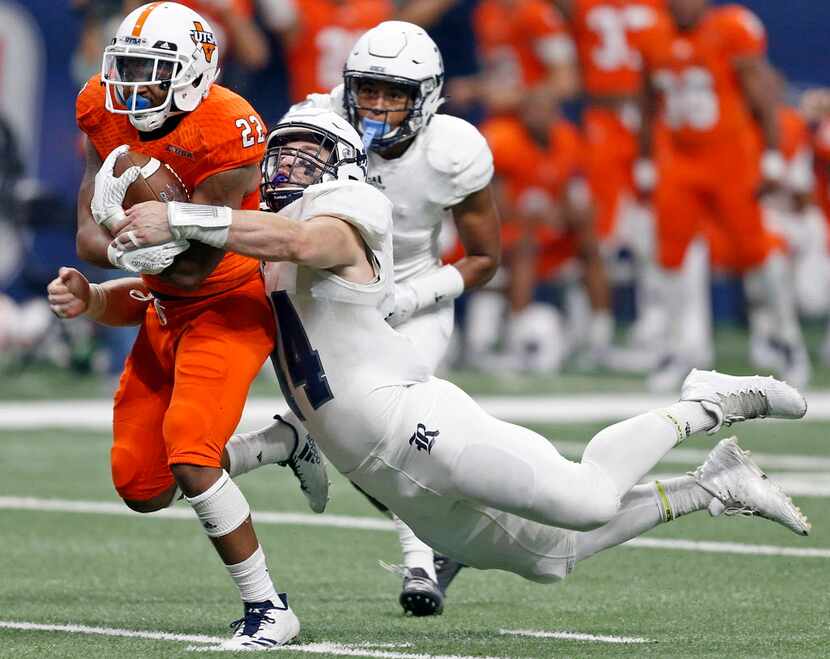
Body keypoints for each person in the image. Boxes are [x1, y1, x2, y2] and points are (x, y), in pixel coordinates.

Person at [58, 109, 810, 613]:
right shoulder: (253, 235)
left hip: (417, 427)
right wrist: (99, 299)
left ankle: (707, 402)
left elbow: (308, 244)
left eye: (308, 151)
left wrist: (191, 215)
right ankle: (713, 485)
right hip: (384, 471)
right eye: (281, 149)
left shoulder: (346, 213)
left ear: (343, 164)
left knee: (586, 499)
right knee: (552, 559)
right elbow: (171, 298)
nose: (288, 163)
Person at [72, 2, 326, 649]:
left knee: (189, 452)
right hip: (161, 305)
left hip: (228, 299)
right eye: (123, 69)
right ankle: (279, 442)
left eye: (150, 72)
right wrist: (119, 252)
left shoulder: (230, 125)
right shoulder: (100, 106)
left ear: (191, 75)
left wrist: (138, 234)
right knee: (142, 485)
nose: (130, 88)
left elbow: (196, 263)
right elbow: (86, 233)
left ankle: (269, 608)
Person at [262, 21, 501, 616]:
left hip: (415, 296)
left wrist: (414, 299)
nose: (377, 105)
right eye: (367, 88)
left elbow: (485, 258)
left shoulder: (453, 150)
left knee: (386, 434)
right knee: (360, 443)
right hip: (337, 297)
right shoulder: (317, 123)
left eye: (395, 93)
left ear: (428, 96)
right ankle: (442, 542)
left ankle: (423, 561)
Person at [637, 0, 810, 390]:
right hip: (679, 160)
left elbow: (763, 95)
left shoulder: (730, 28)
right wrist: (645, 159)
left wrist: (770, 155)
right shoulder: (652, 36)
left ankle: (787, 340)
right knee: (670, 255)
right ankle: (679, 347)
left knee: (755, 252)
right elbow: (648, 102)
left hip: (730, 158)